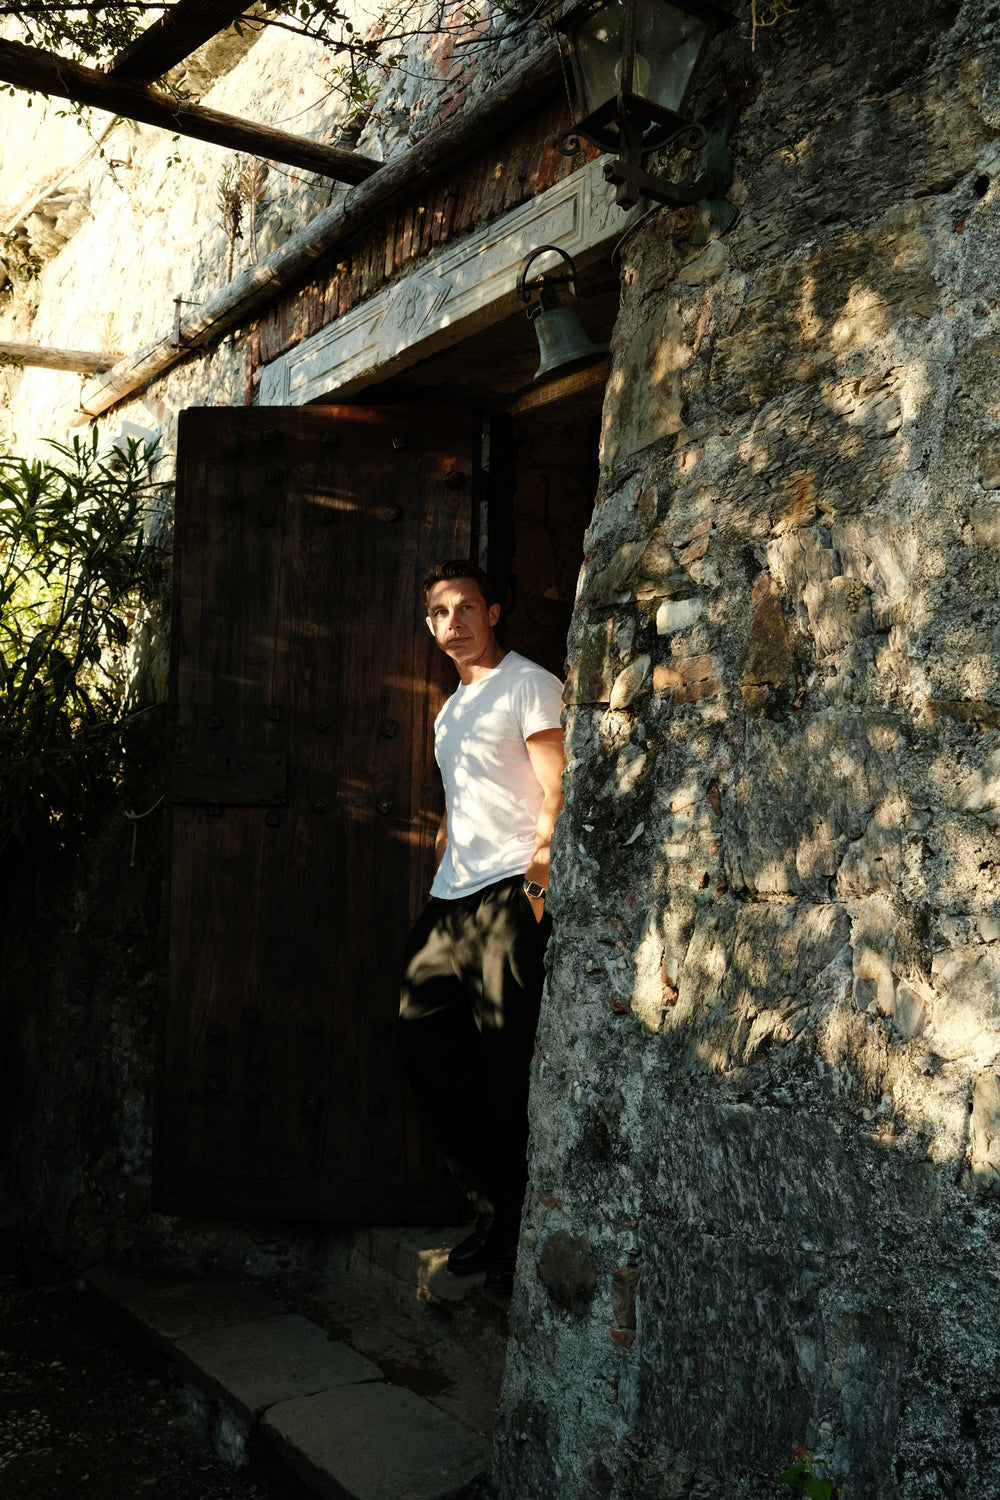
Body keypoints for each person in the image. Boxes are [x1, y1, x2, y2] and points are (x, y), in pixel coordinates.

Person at [397, 559, 565, 1293]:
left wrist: (536, 884)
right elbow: (458, 804)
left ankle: (514, 1230)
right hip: (453, 895)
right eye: (439, 612)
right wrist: (440, 870)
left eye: (466, 607)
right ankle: (495, 1208)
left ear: (494, 612)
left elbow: (557, 786)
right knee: (421, 1035)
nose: (453, 622)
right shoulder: (450, 707)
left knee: (503, 1065)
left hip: (507, 893)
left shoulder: (528, 683)